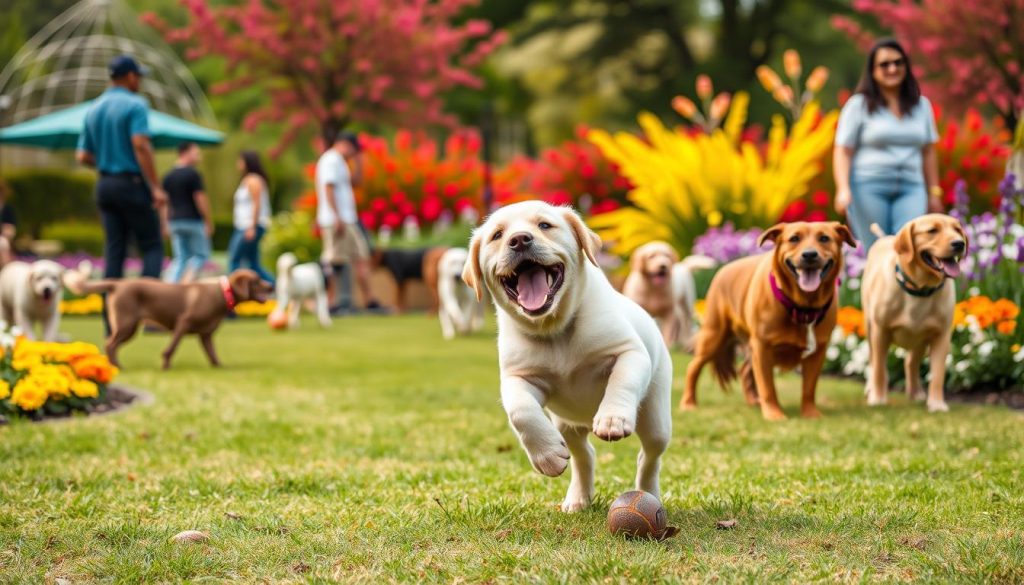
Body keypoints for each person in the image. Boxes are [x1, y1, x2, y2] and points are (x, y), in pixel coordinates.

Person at [833, 38, 942, 251]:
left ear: (906, 67)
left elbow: (928, 151)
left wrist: (934, 192)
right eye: (884, 64)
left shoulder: (922, 106)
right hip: (868, 187)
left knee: (909, 247)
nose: (892, 68)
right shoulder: (858, 106)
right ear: (872, 71)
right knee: (878, 249)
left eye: (898, 62)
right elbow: (843, 150)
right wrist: (843, 189)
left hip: (912, 187)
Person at [75, 55, 167, 281]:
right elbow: (141, 145)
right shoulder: (135, 105)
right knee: (152, 245)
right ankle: (150, 312)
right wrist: (155, 187)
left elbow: (83, 156)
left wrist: (108, 163)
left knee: (115, 251)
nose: (139, 83)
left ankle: (112, 315)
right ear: (130, 76)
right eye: (138, 77)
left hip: (105, 185)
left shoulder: (93, 108)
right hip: (131, 184)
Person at [315, 131, 379, 312]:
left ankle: (369, 300)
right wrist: (336, 217)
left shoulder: (341, 162)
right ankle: (331, 302)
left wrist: (359, 163)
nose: (354, 154)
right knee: (334, 260)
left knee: (360, 257)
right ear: (345, 144)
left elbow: (356, 182)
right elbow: (328, 188)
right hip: (336, 220)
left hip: (348, 219)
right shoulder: (330, 160)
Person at [163, 142, 213, 283]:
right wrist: (208, 220)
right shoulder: (193, 174)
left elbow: (165, 203)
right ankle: (187, 284)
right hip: (192, 220)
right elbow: (200, 199)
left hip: (175, 222)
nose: (199, 156)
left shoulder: (168, 176)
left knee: (180, 257)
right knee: (201, 255)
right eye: (196, 153)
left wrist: (165, 222)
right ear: (184, 152)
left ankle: (170, 286)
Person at [227, 151, 275, 285]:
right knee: (253, 264)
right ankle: (275, 286)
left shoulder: (253, 180)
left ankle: (233, 292)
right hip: (245, 226)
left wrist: (252, 227)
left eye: (240, 160)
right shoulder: (247, 180)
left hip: (248, 226)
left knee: (235, 260)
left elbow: (256, 204)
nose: (238, 164)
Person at [0, 181, 16, 265]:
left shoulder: (7, 209)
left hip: (2, 237)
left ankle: (5, 268)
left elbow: (10, 227)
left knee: (3, 243)